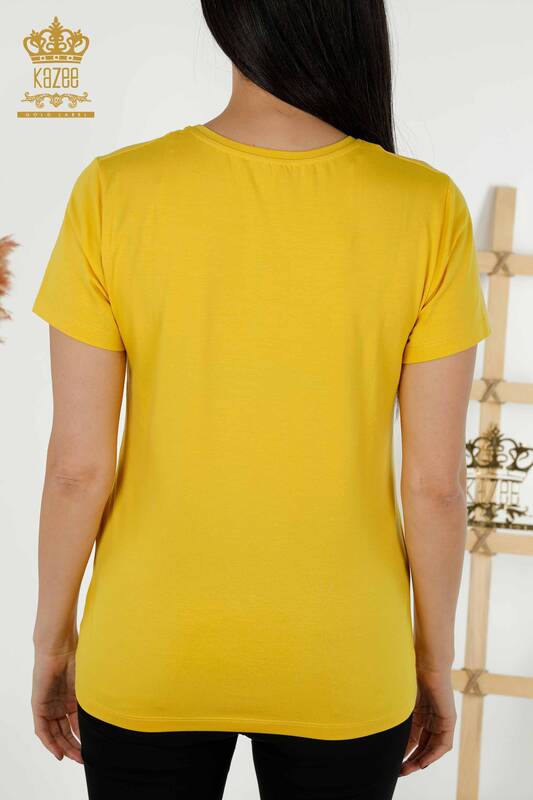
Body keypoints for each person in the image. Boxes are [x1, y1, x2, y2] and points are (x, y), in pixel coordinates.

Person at [30, 2, 491, 798]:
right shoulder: (425, 205)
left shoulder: (115, 189)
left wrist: (52, 644)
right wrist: (429, 662)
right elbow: (434, 487)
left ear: (226, 18)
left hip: (148, 649)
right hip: (346, 659)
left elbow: (77, 468)